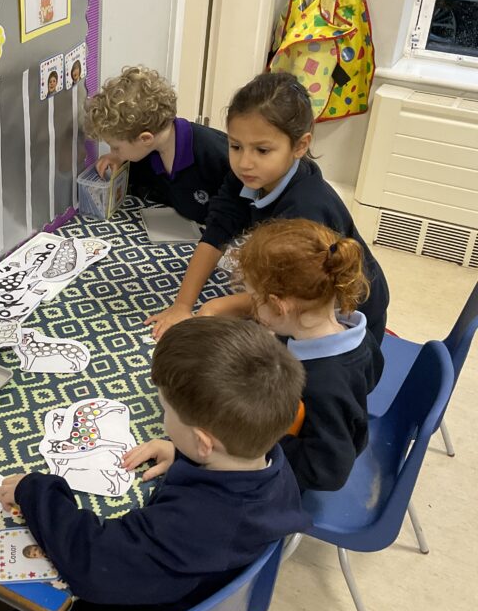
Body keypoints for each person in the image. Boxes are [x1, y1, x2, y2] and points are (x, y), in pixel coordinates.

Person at [0, 317, 310, 611]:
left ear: (203, 442)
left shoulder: (191, 523)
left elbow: (91, 562)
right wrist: (182, 451)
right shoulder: (273, 464)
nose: (163, 417)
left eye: (165, 409)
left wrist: (36, 492)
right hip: (200, 597)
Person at [146, 72, 389, 344]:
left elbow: (296, 294)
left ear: (300, 146)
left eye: (262, 150)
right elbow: (216, 233)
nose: (244, 162)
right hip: (294, 300)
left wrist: (216, 307)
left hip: (348, 320)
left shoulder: (306, 208)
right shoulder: (248, 177)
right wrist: (182, 305)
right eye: (236, 146)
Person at [233, 218, 384, 492]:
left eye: (255, 299)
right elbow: (373, 374)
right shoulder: (355, 333)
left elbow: (329, 471)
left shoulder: (324, 384)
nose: (253, 308)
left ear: (279, 306)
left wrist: (263, 445)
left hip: (296, 470)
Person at [87, 66, 230, 224]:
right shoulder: (149, 151)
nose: (113, 151)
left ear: (145, 139)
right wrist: (120, 159)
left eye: (116, 147)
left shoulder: (216, 154)